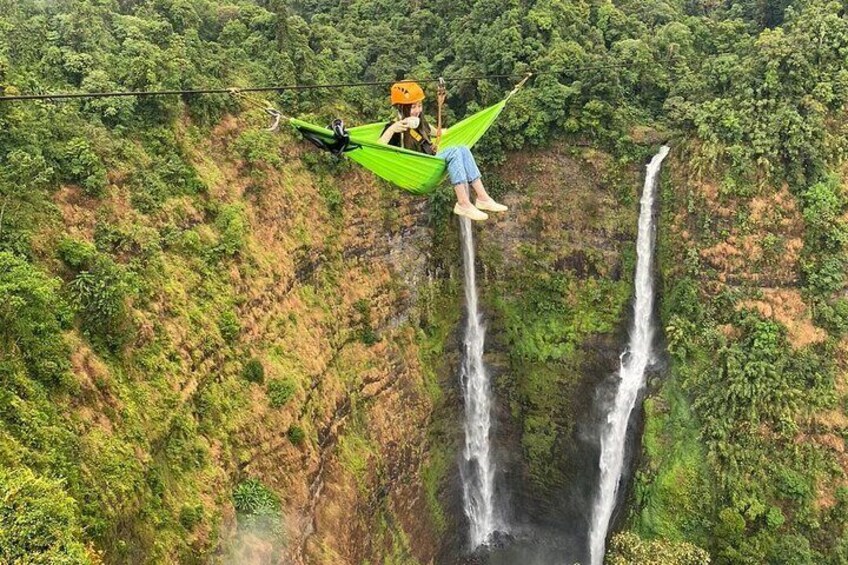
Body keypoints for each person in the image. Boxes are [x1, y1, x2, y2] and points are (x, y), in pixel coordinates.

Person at [379, 81, 508, 221]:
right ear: (401, 108)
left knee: (463, 148)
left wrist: (463, 128)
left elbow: (439, 132)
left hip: (430, 164)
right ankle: (463, 203)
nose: (417, 110)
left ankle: (483, 198)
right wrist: (393, 129)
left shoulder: (420, 122)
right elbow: (378, 147)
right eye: (412, 107)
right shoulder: (394, 128)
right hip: (417, 172)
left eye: (419, 106)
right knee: (454, 152)